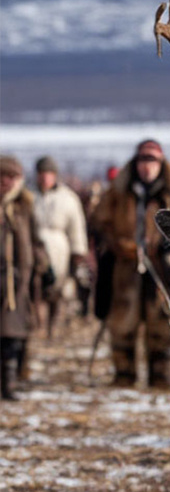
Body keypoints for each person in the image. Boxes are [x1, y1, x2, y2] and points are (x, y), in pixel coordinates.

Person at [90, 139, 170, 389]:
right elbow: (100, 221)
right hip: (125, 266)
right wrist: (117, 244)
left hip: (161, 266)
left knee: (162, 321)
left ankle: (161, 377)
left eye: (152, 160)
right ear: (136, 162)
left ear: (161, 163)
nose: (147, 166)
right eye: (143, 159)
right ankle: (124, 375)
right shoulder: (119, 190)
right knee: (122, 322)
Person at [1, 156, 46, 400]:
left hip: (17, 282)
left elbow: (35, 239)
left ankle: (9, 385)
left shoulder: (24, 207)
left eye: (12, 178)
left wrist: (42, 263)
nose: (6, 183)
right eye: (2, 177)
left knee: (12, 336)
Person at [32, 155, 89, 332]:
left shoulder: (68, 198)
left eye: (48, 174)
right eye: (41, 173)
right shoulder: (30, 196)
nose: (45, 178)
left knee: (59, 290)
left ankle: (55, 328)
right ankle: (38, 327)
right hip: (34, 249)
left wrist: (78, 252)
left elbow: (76, 227)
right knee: (36, 289)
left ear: (55, 175)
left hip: (60, 251)